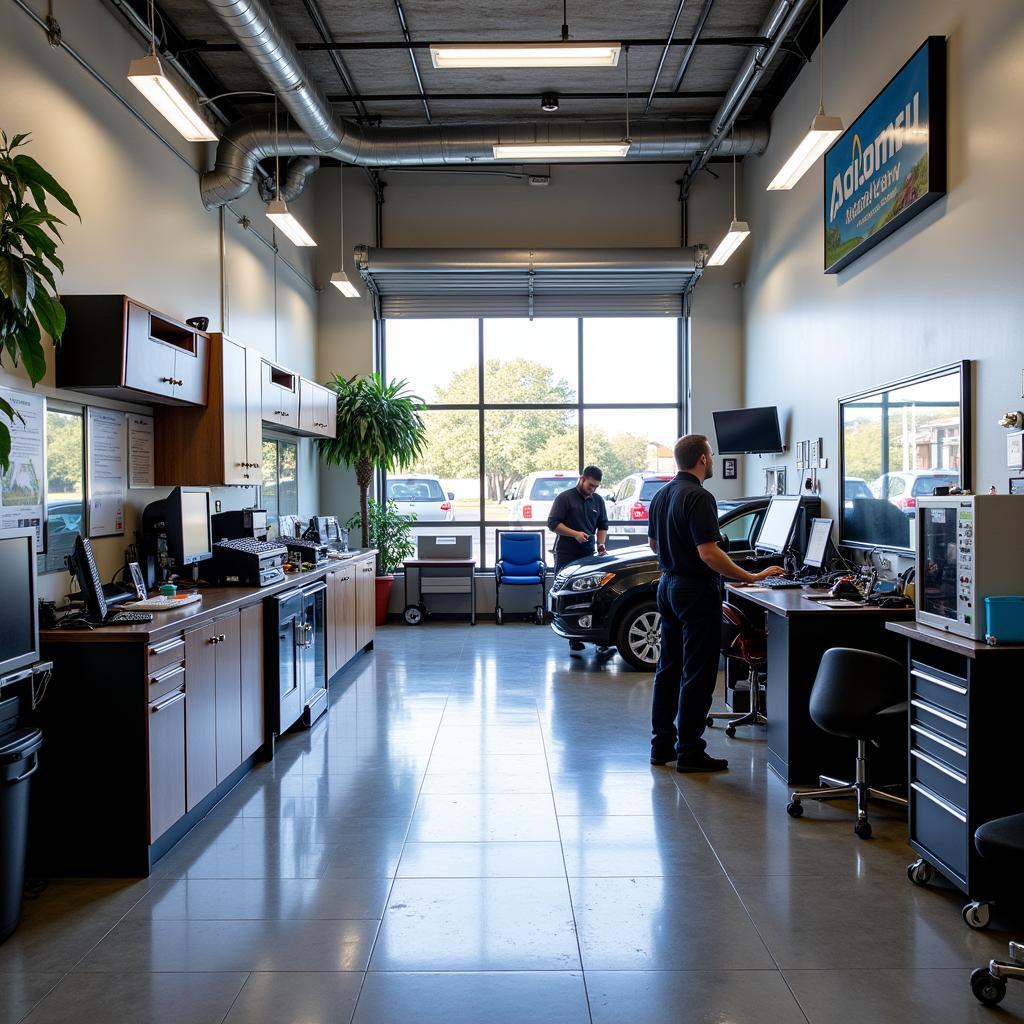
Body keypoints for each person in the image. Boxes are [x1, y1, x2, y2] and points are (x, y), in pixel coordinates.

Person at [647, 435, 786, 772]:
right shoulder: (699, 496)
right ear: (703, 460)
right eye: (710, 453)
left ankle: (662, 745)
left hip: (668, 587)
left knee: (669, 668)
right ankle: (690, 752)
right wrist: (750, 577)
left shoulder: (662, 495)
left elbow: (654, 544)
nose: (711, 457)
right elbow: (709, 552)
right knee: (697, 672)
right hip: (695, 591)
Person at [548, 466, 609, 653]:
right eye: (591, 485)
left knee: (592, 595)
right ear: (582, 479)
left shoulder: (598, 501)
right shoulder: (565, 498)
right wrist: (575, 534)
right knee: (569, 596)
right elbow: (553, 524)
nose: (593, 490)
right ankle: (573, 638)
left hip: (588, 554)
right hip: (567, 552)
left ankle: (599, 640)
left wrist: (600, 545)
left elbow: (602, 525)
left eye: (596, 487)